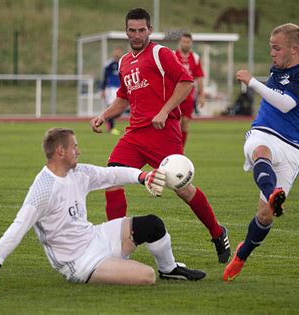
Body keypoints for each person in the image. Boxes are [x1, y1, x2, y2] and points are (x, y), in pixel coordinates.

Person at [0, 128, 206, 288]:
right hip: (79, 261)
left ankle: (170, 269)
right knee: (146, 277)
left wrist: (143, 178)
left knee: (153, 224)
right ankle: (119, 267)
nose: (78, 150)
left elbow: (111, 174)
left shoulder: (77, 172)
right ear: (60, 151)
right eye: (74, 147)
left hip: (96, 236)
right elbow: (18, 227)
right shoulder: (43, 189)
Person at [90, 8, 230, 264]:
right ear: (126, 31)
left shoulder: (160, 53)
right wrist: (105, 115)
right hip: (135, 135)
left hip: (163, 134)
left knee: (183, 189)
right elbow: (123, 98)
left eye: (141, 30)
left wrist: (164, 111)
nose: (136, 35)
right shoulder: (124, 62)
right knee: (111, 178)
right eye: (132, 30)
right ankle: (116, 248)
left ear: (150, 30)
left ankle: (218, 232)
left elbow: (186, 82)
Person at [223, 23, 299, 282]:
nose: (272, 53)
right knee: (260, 150)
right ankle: (271, 193)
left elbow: (288, 105)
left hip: (291, 148)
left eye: (277, 48)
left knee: (265, 216)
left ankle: (243, 253)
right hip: (263, 132)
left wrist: (252, 81)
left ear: (294, 49)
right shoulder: (278, 69)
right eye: (270, 48)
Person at [175, 32, 205, 148]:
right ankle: (173, 148)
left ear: (191, 43)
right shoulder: (173, 55)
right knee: (175, 123)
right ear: (180, 42)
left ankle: (180, 149)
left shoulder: (195, 58)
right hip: (175, 95)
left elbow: (199, 77)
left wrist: (201, 95)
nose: (186, 44)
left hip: (188, 96)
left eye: (188, 42)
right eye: (183, 41)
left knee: (185, 123)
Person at [101, 46, 125, 135]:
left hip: (120, 88)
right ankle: (111, 127)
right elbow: (105, 77)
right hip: (111, 88)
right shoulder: (109, 64)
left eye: (119, 51)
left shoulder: (123, 63)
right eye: (116, 51)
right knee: (112, 107)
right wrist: (103, 89)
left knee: (119, 110)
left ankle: (108, 121)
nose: (118, 53)